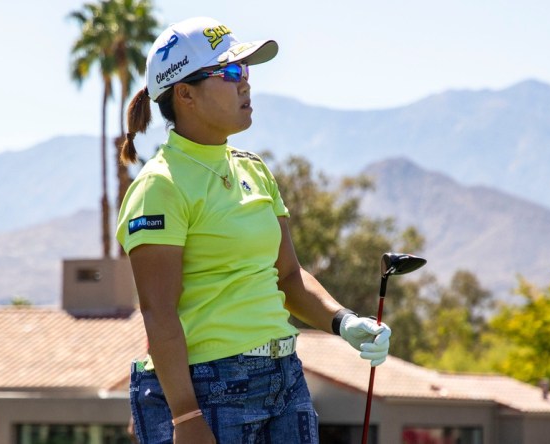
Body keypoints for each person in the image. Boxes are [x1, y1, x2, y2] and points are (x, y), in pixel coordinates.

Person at [116, 16, 392, 444]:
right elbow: (159, 313)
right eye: (229, 72)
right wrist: (186, 416)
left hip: (284, 378)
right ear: (184, 93)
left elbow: (289, 278)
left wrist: (345, 323)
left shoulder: (254, 170)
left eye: (245, 71)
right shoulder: (160, 186)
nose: (245, 83)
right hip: (207, 387)